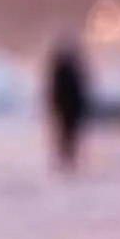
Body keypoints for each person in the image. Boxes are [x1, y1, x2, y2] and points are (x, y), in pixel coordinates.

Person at [43, 40, 91, 173]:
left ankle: (68, 159)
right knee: (67, 135)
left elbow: (78, 90)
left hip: (68, 108)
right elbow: (57, 90)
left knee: (68, 135)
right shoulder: (67, 69)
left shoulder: (65, 69)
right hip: (67, 107)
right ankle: (67, 160)